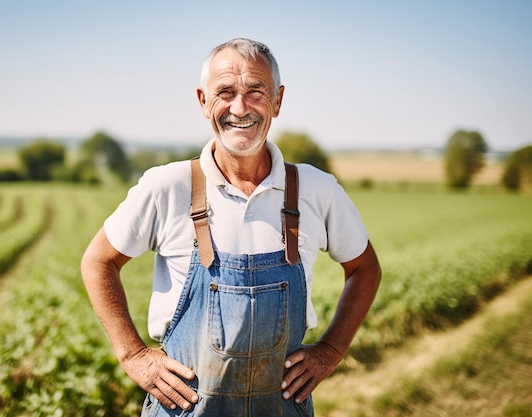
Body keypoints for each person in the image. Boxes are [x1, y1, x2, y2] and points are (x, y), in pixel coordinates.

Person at [81, 38, 381, 416]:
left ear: (278, 101)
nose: (239, 107)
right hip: (184, 408)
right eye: (225, 92)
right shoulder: (166, 186)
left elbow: (365, 268)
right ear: (203, 100)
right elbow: (98, 261)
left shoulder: (316, 190)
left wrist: (331, 350)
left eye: (256, 91)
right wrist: (133, 354)